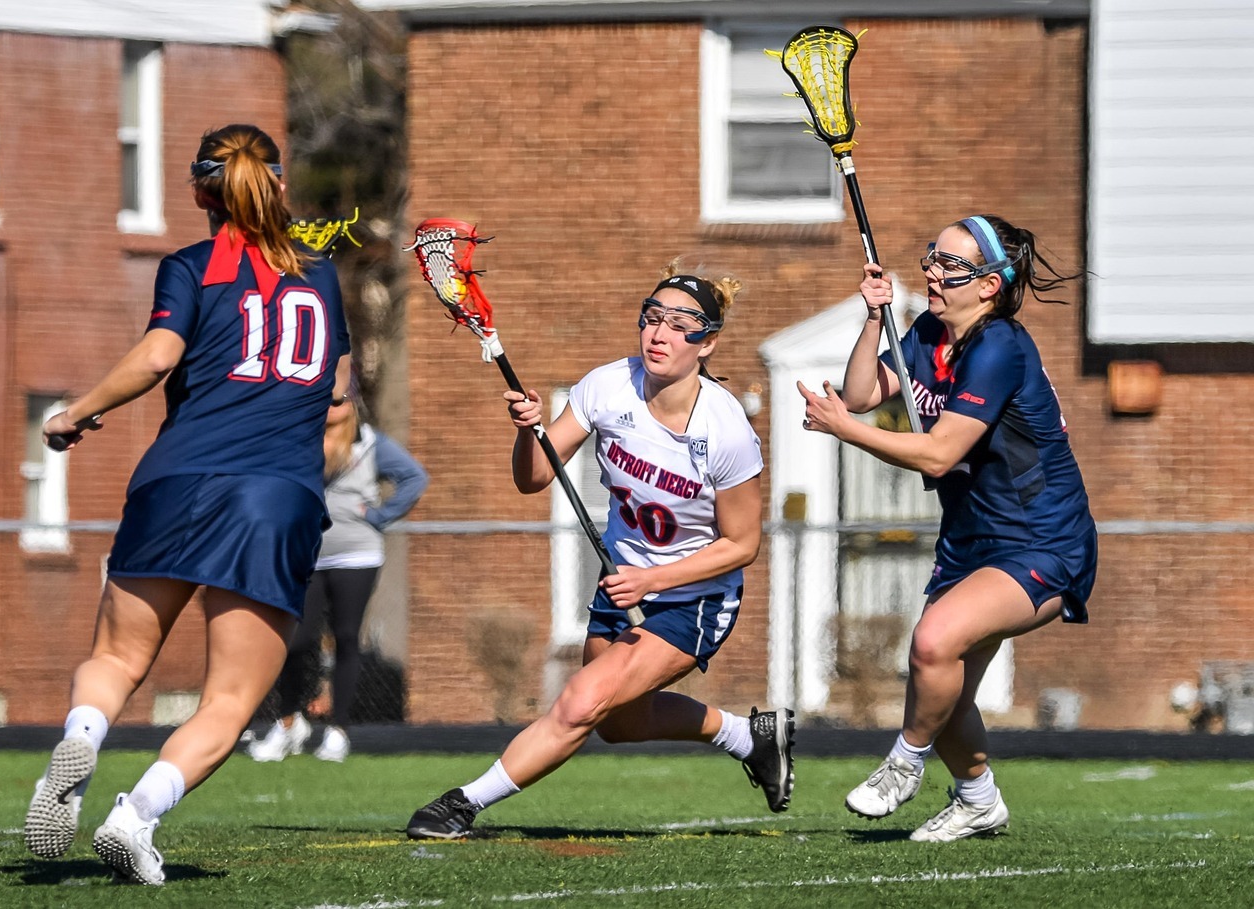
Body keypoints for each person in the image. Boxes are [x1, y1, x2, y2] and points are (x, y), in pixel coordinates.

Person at [23, 124, 352, 884]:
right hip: (275, 495)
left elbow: (160, 354)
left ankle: (82, 734)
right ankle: (133, 816)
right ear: (274, 183)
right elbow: (332, 385)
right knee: (230, 699)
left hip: (175, 479)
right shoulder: (323, 273)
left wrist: (77, 410)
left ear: (202, 193)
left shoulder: (188, 265)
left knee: (113, 657)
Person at [406, 261, 793, 839]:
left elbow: (743, 545)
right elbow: (534, 477)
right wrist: (527, 429)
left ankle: (461, 804)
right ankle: (749, 737)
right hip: (625, 582)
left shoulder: (726, 429)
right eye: (652, 318)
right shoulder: (608, 386)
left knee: (583, 699)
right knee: (618, 723)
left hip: (693, 596)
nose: (660, 333)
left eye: (681, 324)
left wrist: (654, 582)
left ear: (708, 342)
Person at [798, 214, 1097, 842]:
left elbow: (937, 452)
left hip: (1042, 537)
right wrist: (875, 318)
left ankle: (904, 762)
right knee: (947, 684)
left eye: (951, 265)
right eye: (932, 256)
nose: (933, 271)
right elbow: (860, 393)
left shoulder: (1000, 347)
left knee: (933, 641)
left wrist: (843, 429)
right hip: (970, 538)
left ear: (989, 285)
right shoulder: (930, 330)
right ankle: (977, 799)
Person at [248, 391, 428, 762]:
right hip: (308, 555)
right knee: (296, 640)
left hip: (357, 555)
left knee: (346, 638)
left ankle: (338, 730)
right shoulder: (301, 438)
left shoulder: (370, 443)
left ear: (353, 404)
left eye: (339, 399)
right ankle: (288, 723)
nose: (331, 406)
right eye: (325, 399)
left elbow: (413, 478)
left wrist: (379, 515)